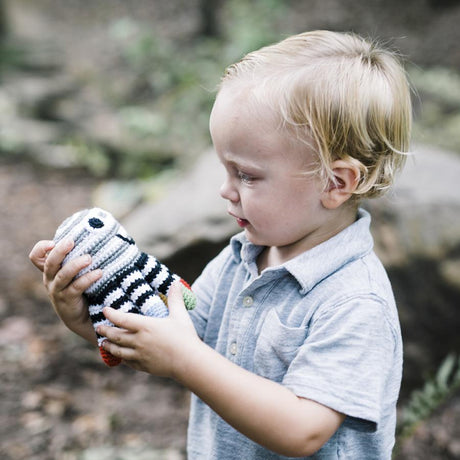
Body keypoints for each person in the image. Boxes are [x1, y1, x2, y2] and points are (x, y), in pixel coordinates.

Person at [29, 30, 412, 459]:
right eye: (224, 169)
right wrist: (90, 316)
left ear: (335, 182)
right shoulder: (242, 257)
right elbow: (174, 337)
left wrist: (185, 361)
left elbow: (302, 430)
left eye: (246, 175)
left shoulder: (355, 303)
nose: (225, 191)